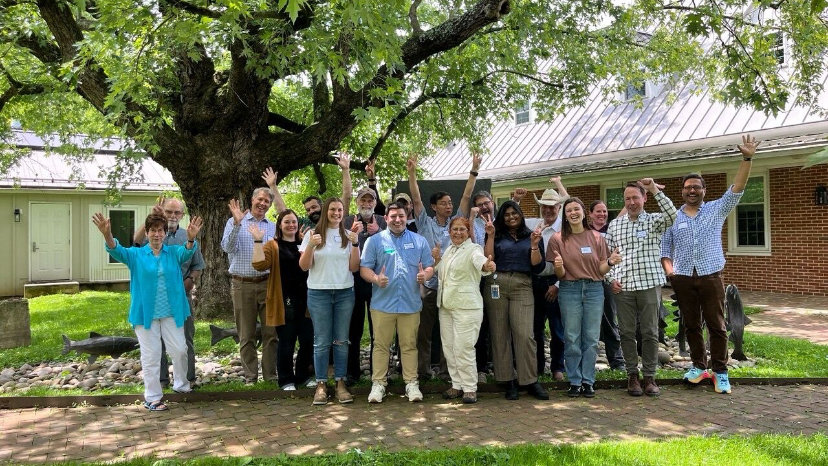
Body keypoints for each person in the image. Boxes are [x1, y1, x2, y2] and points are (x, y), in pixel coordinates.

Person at [661, 134, 760, 395]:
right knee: (691, 325)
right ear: (682, 191)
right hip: (682, 278)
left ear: (704, 191)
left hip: (711, 276)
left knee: (717, 325)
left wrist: (747, 159)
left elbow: (738, 187)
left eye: (696, 187)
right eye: (687, 187)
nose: (692, 190)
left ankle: (720, 372)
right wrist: (670, 273)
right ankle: (698, 367)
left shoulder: (716, 209)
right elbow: (665, 250)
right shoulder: (673, 218)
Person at [92, 212, 202, 411]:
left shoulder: (173, 253)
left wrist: (191, 238)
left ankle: (181, 385)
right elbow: (116, 250)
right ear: (147, 233)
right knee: (151, 356)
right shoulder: (136, 255)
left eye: (160, 230)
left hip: (172, 312)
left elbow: (187, 252)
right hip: (145, 315)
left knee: (180, 350)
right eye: (153, 231)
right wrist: (107, 234)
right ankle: (152, 398)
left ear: (164, 233)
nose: (157, 234)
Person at [406, 153, 479, 381]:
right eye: (444, 203)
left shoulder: (456, 223)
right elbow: (415, 198)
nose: (449, 206)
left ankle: (449, 372)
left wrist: (473, 170)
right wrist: (412, 173)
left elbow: (466, 196)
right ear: (434, 206)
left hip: (451, 286)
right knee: (424, 331)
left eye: (450, 203)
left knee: (450, 332)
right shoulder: (424, 223)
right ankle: (423, 371)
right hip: (429, 285)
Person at [605, 179, 677, 397]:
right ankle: (632, 376)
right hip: (623, 287)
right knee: (626, 333)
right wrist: (610, 279)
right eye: (627, 199)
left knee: (650, 332)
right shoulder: (615, 225)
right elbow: (606, 256)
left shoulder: (655, 221)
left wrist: (654, 189)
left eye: (635, 197)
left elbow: (673, 215)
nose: (631, 202)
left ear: (644, 198)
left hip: (649, 284)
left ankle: (649, 377)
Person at [360, 203, 434, 403]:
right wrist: (376, 279)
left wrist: (425, 275)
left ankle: (411, 383)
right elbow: (364, 269)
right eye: (393, 216)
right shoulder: (375, 241)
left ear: (406, 216)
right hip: (382, 304)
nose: (397, 220)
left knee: (409, 345)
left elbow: (429, 266)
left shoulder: (419, 241)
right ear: (386, 218)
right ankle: (378, 384)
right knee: (380, 345)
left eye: (401, 215)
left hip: (410, 303)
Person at [548, 197, 621, 398]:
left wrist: (610, 262)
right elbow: (560, 274)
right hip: (569, 289)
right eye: (569, 210)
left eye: (576, 209)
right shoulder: (557, 239)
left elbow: (601, 269)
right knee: (571, 336)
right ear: (565, 215)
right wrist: (559, 266)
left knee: (590, 337)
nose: (573, 213)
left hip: (594, 289)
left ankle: (588, 381)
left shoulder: (597, 237)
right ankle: (574, 380)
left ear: (583, 213)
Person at [132, 197, 204, 390]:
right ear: (162, 212)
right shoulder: (152, 233)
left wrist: (190, 281)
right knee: (156, 342)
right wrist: (150, 217)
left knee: (184, 340)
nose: (172, 216)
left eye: (176, 212)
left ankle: (188, 379)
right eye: (169, 211)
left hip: (180, 297)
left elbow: (198, 265)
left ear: (182, 215)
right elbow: (135, 242)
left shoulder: (187, 235)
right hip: (153, 298)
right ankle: (161, 380)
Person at [483, 200, 549, 400]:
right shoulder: (495, 234)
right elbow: (488, 259)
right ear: (502, 217)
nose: (511, 217)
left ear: (520, 214)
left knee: (525, 334)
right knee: (500, 333)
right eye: (506, 214)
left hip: (522, 284)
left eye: (514, 213)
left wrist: (534, 246)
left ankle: (529, 380)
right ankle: (507, 380)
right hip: (497, 283)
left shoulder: (532, 235)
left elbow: (537, 266)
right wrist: (491, 235)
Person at [299, 197, 361, 405]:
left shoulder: (348, 235)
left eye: (340, 209)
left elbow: (354, 267)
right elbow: (304, 266)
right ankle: (321, 384)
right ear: (326, 211)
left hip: (344, 293)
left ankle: (340, 382)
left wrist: (355, 243)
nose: (336, 213)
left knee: (342, 340)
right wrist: (310, 246)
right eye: (333, 209)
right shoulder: (312, 234)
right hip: (319, 293)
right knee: (322, 341)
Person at [433, 217, 496, 404]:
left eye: (462, 229)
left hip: (466, 307)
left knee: (463, 348)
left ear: (468, 232)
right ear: (449, 231)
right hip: (446, 306)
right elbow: (441, 271)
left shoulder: (473, 249)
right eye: (455, 229)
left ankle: (469, 388)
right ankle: (457, 385)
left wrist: (487, 265)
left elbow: (481, 262)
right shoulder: (449, 250)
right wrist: (437, 259)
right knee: (449, 348)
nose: (458, 233)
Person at [250, 209, 314, 391]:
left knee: (307, 340)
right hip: (283, 301)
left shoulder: (304, 243)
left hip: (307, 300)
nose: (291, 225)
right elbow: (259, 265)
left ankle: (303, 376)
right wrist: (257, 241)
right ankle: (286, 380)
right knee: (287, 341)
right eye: (287, 222)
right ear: (280, 225)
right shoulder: (273, 245)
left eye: (293, 221)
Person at [221, 189, 278, 384]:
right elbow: (227, 248)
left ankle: (270, 376)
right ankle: (250, 377)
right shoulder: (235, 222)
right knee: (246, 334)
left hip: (268, 284)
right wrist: (237, 224)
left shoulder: (273, 227)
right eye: (260, 199)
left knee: (271, 333)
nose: (263, 203)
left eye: (267, 201)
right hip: (242, 284)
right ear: (252, 200)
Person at [514, 177, 568, 381]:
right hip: (534, 282)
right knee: (535, 327)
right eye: (544, 206)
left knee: (557, 328)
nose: (548, 210)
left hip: (556, 280)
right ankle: (537, 367)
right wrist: (517, 200)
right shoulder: (531, 225)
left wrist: (558, 285)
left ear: (558, 208)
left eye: (552, 207)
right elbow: (512, 218)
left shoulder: (565, 229)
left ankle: (558, 367)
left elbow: (570, 260)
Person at [344, 186, 388, 385]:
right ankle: (352, 372)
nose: (367, 204)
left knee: (377, 329)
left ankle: (377, 372)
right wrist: (351, 235)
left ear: (375, 203)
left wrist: (379, 233)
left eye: (370, 200)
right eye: (363, 200)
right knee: (353, 328)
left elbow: (392, 250)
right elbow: (339, 248)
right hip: (353, 280)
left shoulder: (382, 222)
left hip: (376, 281)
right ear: (357, 202)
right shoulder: (347, 221)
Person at [264, 153, 352, 229]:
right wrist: (272, 186)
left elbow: (346, 196)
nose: (311, 211)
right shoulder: (305, 224)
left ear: (322, 206)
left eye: (314, 207)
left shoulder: (336, 218)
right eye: (308, 210)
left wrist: (345, 170)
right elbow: (283, 213)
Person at [589, 200, 626, 372]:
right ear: (590, 214)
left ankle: (616, 361)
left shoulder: (611, 229)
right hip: (589, 280)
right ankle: (587, 361)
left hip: (607, 280)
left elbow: (623, 213)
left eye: (604, 211)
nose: (602, 214)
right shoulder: (585, 232)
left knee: (610, 319)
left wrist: (643, 190)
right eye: (598, 211)